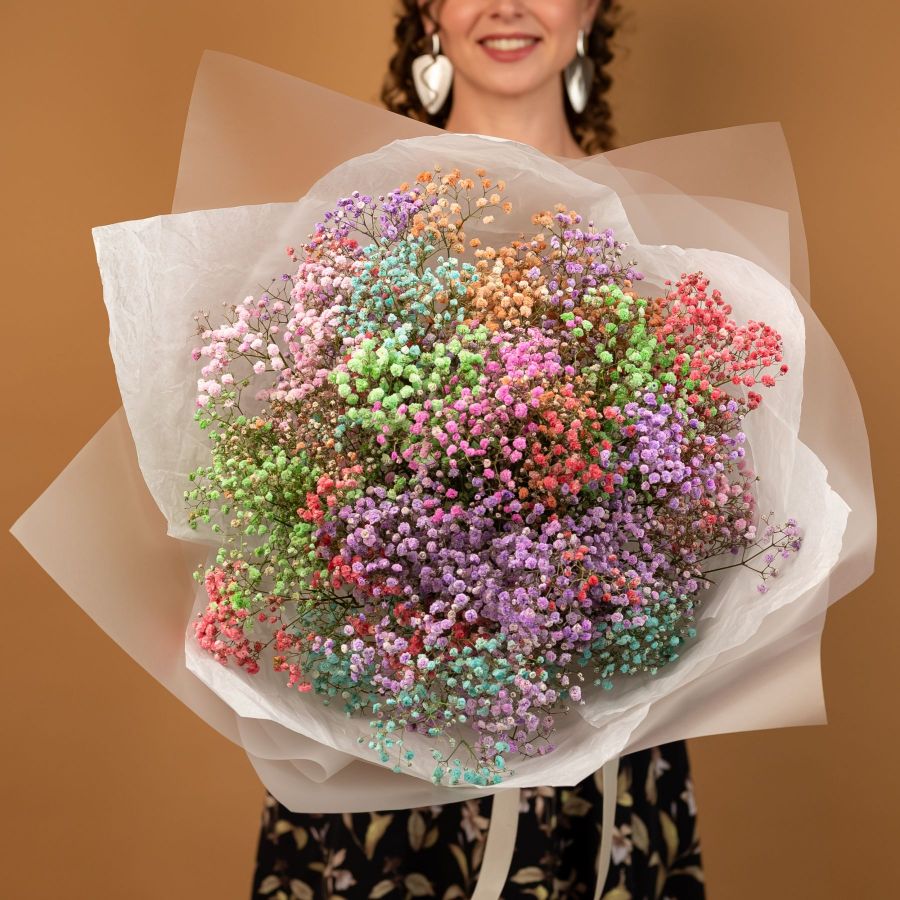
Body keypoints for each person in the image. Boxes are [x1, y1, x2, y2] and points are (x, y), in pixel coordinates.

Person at [251, 2, 705, 898]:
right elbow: (289, 474)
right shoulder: (361, 221)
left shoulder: (659, 230)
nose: (505, 4)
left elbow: (710, 492)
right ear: (428, 8)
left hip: (603, 730)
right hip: (394, 723)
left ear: (592, 6)